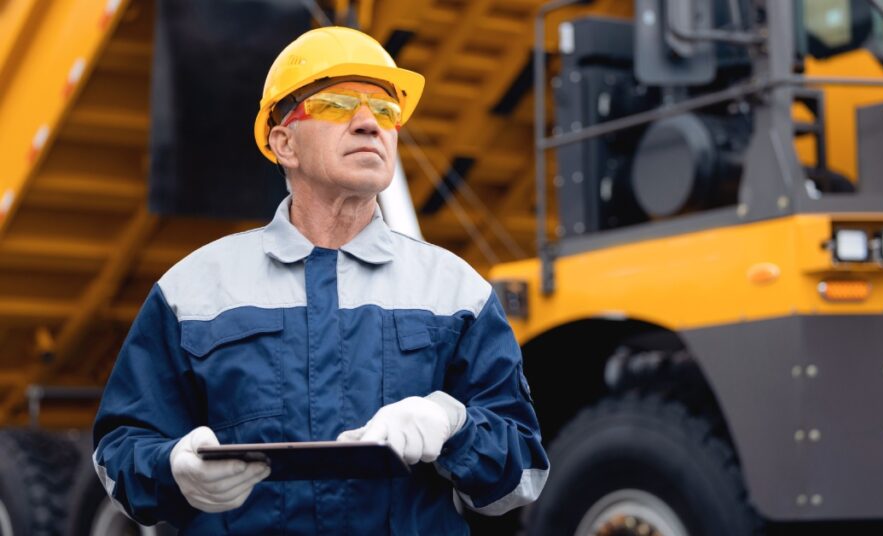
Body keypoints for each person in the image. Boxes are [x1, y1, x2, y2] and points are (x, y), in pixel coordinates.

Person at [92, 26, 548, 535]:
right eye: (335, 104)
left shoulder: (457, 292)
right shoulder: (192, 291)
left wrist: (455, 428)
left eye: (385, 110)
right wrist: (173, 468)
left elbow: (522, 474)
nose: (367, 123)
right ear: (284, 142)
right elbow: (120, 449)